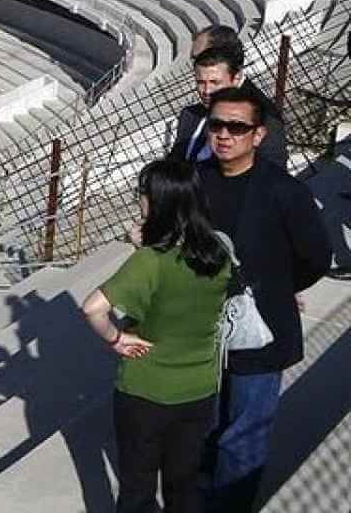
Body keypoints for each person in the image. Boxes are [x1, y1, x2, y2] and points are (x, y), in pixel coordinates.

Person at [196, 84, 332, 512]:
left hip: (261, 333)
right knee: (206, 427)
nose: (224, 134)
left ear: (258, 135)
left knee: (244, 434)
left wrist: (276, 288)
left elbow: (315, 257)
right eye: (217, 125)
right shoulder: (194, 183)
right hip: (203, 333)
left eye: (237, 127)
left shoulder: (285, 192)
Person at [82, 160, 230, 513]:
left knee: (138, 488)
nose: (139, 203)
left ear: (159, 202)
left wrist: (116, 339)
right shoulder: (219, 253)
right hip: (199, 388)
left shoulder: (150, 261)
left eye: (143, 196)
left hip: (145, 390)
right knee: (184, 486)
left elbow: (92, 309)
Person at [169, 43, 287, 167]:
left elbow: (272, 174)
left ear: (236, 78)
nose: (207, 90)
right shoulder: (190, 115)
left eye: (215, 82)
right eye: (201, 82)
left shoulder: (264, 120)